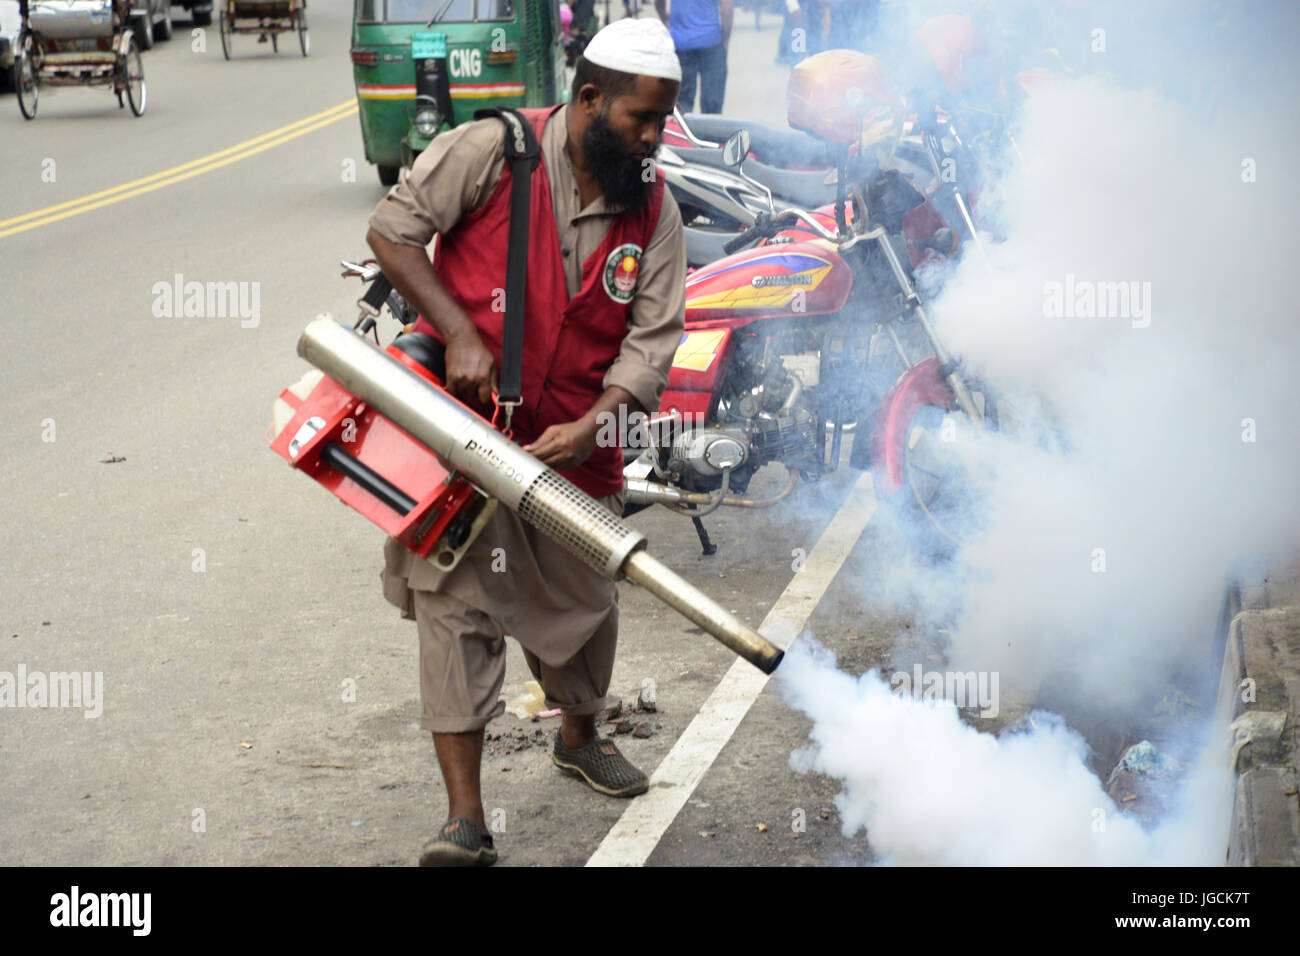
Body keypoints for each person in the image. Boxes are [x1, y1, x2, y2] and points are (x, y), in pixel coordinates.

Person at [364, 17, 686, 868]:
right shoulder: (489, 150)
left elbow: (654, 337)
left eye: (663, 121)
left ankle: (579, 736)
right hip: (463, 443)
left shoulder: (653, 206)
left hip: (577, 447)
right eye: (640, 120)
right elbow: (392, 232)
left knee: (588, 606)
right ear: (588, 99)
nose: (654, 138)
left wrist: (596, 419)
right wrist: (458, 332)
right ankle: (464, 820)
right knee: (453, 610)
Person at [653, 0, 733, 114]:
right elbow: (727, 8)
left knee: (681, 104)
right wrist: (726, 37)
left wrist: (663, 16)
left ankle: (682, 130)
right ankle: (709, 130)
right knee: (712, 103)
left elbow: (658, 2)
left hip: (681, 44)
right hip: (711, 43)